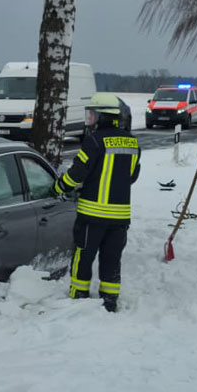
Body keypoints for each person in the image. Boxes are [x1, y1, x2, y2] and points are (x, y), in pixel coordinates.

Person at [53, 92, 141, 312]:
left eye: (92, 114)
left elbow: (77, 173)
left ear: (103, 116)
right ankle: (109, 301)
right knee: (112, 259)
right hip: (120, 218)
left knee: (83, 257)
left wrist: (58, 187)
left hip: (92, 215)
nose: (89, 118)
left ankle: (79, 296)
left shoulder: (93, 141)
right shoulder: (132, 143)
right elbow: (132, 176)